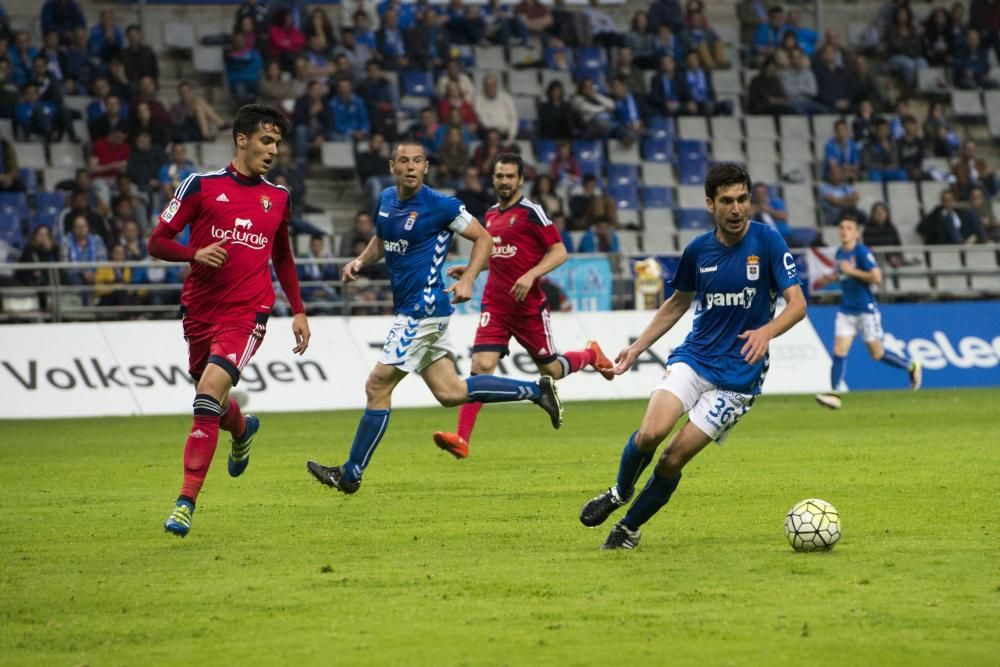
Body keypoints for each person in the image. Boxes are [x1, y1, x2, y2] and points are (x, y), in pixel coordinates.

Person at [305, 140, 564, 494]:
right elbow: (382, 240)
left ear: (426, 167)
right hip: (415, 309)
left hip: (423, 310)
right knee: (451, 391)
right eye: (403, 161)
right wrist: (361, 262)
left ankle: (351, 473)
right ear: (391, 166)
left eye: (417, 161)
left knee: (376, 386)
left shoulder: (440, 205)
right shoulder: (385, 201)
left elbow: (484, 238)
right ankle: (535, 391)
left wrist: (470, 278)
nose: (410, 167)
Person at [577, 162, 807, 550]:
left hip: (738, 380)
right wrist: (635, 348)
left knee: (671, 459)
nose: (737, 209)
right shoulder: (698, 251)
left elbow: (797, 304)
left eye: (743, 200)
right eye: (727, 201)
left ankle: (628, 529)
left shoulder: (768, 242)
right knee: (651, 432)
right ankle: (619, 492)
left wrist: (767, 331)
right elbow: (676, 303)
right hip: (695, 359)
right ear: (710, 205)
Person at [147, 105, 312, 537]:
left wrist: (297, 309)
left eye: (277, 142)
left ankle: (185, 502)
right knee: (213, 401)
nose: (273, 150)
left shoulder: (278, 198)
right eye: (266, 140)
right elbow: (157, 241)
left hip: (248, 312)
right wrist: (194, 253)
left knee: (205, 396)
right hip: (199, 311)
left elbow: (283, 256)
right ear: (241, 140)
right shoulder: (200, 187)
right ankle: (242, 428)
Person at [432, 153, 613, 459]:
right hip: (496, 305)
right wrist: (471, 270)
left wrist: (531, 275)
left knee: (552, 370)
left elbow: (559, 252)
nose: (504, 181)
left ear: (520, 180)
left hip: (528, 308)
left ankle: (590, 354)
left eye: (509, 176)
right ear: (493, 178)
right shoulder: (489, 216)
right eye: (499, 176)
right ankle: (462, 439)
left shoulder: (532, 213)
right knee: (480, 367)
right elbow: (498, 256)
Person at [814, 215, 922, 410]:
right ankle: (834, 393)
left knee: (877, 354)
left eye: (848, 227)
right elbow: (843, 274)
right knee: (839, 350)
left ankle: (911, 365)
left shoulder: (862, 252)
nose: (844, 231)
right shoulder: (840, 253)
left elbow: (877, 277)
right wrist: (830, 278)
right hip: (846, 310)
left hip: (865, 310)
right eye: (841, 227)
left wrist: (852, 271)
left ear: (856, 233)